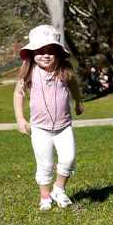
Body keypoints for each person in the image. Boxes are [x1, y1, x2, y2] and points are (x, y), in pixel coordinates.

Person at [13, 24, 84, 211]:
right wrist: (20, 118)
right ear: (31, 53)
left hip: (63, 126)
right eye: (40, 51)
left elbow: (74, 86)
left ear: (58, 53)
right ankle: (45, 196)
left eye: (50, 51)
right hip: (40, 128)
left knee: (68, 158)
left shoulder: (64, 71)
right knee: (45, 163)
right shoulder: (29, 72)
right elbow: (18, 94)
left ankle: (58, 189)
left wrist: (78, 101)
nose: (45, 55)